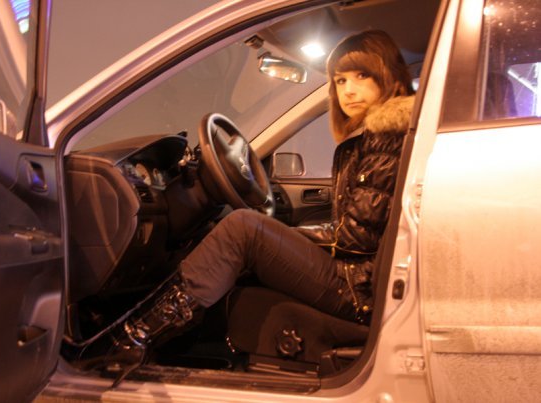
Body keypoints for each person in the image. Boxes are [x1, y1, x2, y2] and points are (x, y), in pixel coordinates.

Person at [76, 29, 416, 380]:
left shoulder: (386, 138)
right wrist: (283, 237)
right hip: (360, 278)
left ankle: (128, 341)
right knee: (250, 234)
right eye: (340, 80)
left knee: (243, 228)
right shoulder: (373, 137)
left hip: (357, 288)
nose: (348, 90)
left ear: (387, 75)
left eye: (361, 76)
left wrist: (281, 237)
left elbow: (355, 239)